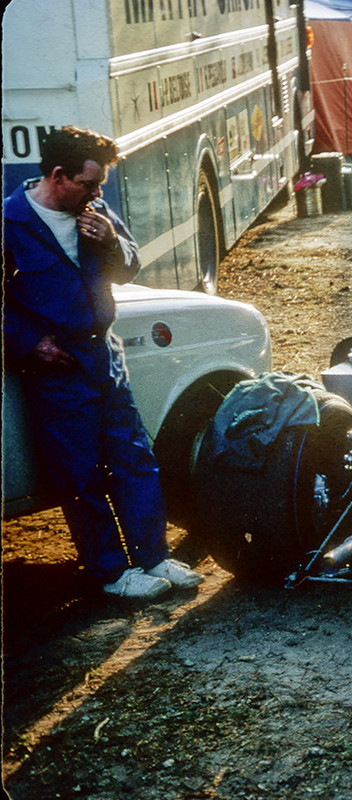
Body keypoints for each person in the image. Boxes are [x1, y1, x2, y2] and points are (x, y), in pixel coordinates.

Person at [2, 126, 204, 599]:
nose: (97, 194)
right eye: (89, 184)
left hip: (106, 356)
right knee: (81, 474)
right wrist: (27, 342)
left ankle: (154, 557)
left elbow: (130, 267)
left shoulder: (95, 212)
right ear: (58, 176)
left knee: (134, 457)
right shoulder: (11, 223)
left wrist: (112, 241)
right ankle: (113, 573)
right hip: (57, 370)